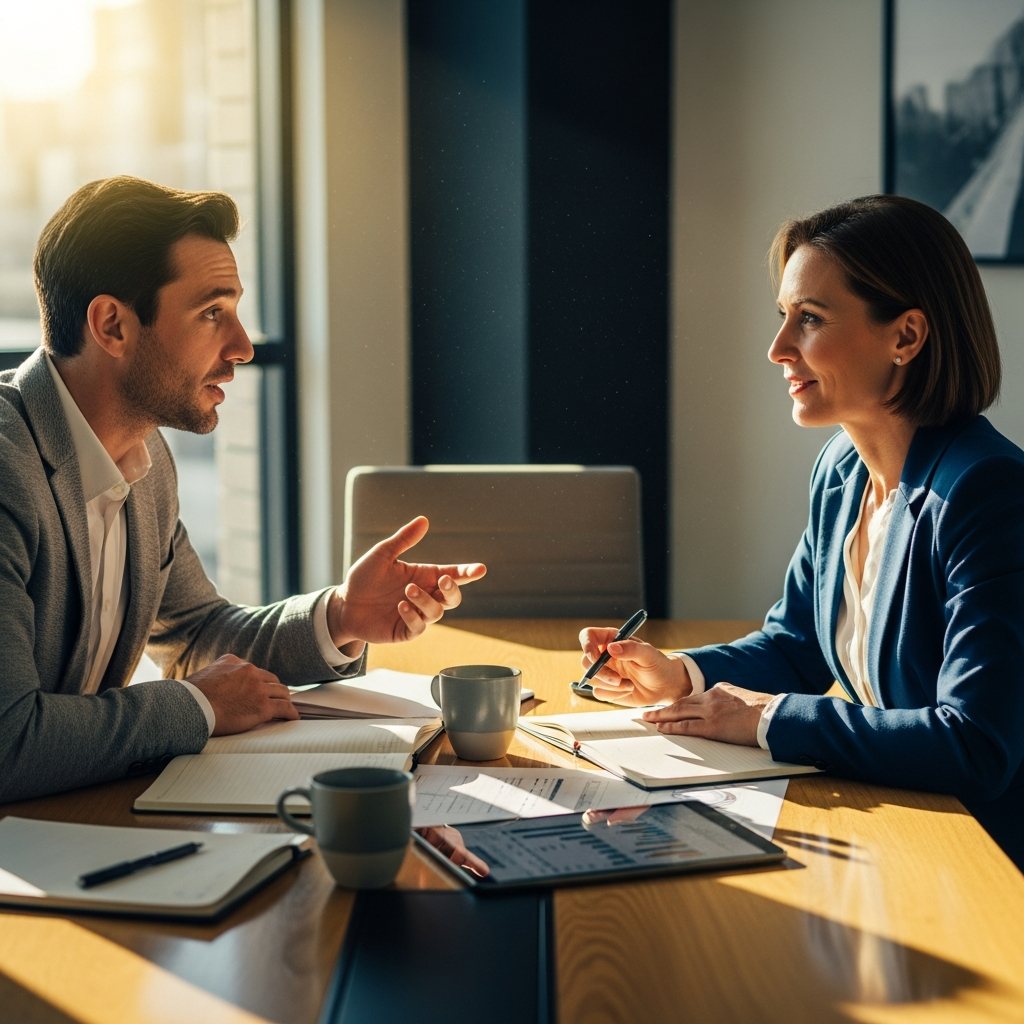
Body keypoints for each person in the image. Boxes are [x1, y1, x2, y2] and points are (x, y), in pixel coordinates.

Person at [0, 176, 485, 803]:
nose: (243, 347)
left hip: (73, 818)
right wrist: (196, 708)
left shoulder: (144, 462)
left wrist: (340, 616)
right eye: (212, 313)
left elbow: (196, 635)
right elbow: (8, 740)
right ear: (112, 326)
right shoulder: (8, 469)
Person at [579, 194, 1024, 869]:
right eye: (784, 316)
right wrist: (681, 675)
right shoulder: (843, 468)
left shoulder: (987, 492)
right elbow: (798, 647)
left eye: (809, 320)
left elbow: (976, 745)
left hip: (983, 857)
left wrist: (765, 719)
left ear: (906, 337)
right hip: (905, 825)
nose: (778, 348)